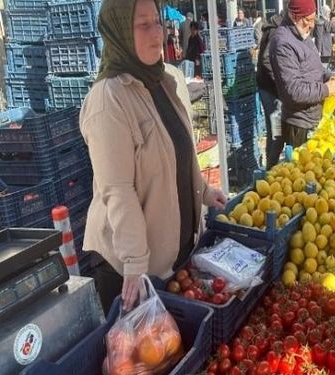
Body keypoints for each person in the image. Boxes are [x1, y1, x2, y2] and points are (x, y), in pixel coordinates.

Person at [80, 0, 226, 313]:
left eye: (157, 22)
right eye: (143, 25)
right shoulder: (108, 99)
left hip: (171, 261)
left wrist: (203, 191)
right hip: (130, 271)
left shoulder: (164, 81)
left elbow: (179, 154)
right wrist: (134, 262)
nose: (156, 32)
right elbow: (117, 189)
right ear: (118, 31)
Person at [269, 0, 335, 148]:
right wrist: (326, 89)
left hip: (314, 118)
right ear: (294, 16)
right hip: (300, 125)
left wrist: (327, 76)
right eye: (308, 20)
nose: (312, 25)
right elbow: (294, 91)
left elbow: (314, 67)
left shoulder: (302, 34)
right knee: (304, 168)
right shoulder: (283, 43)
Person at [257, 12, 285, 168]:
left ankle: (271, 165)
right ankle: (272, 168)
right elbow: (267, 59)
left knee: (275, 129)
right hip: (270, 88)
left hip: (267, 86)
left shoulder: (275, 27)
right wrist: (280, 81)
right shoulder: (277, 31)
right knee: (276, 130)